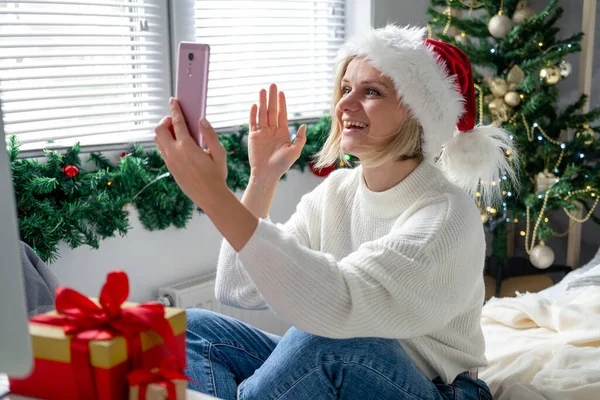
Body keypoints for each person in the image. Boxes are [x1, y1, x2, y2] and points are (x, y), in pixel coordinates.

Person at [154, 24, 516, 400]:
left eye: (371, 91)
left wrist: (214, 196)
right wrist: (262, 178)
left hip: (441, 389)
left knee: (325, 341)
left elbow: (340, 305)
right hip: (352, 362)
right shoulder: (338, 191)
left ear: (416, 113)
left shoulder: (445, 215)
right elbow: (235, 287)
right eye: (345, 89)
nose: (344, 104)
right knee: (184, 329)